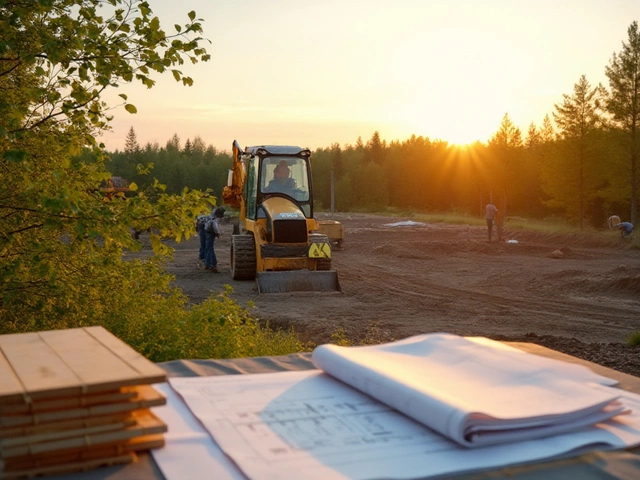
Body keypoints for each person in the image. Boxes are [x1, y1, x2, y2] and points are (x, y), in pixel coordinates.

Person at [204, 207, 225, 272]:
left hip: (207, 231)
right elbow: (215, 227)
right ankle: (213, 264)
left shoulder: (212, 216)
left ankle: (207, 264)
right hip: (210, 233)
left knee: (208, 248)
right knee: (210, 249)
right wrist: (218, 233)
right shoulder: (216, 219)